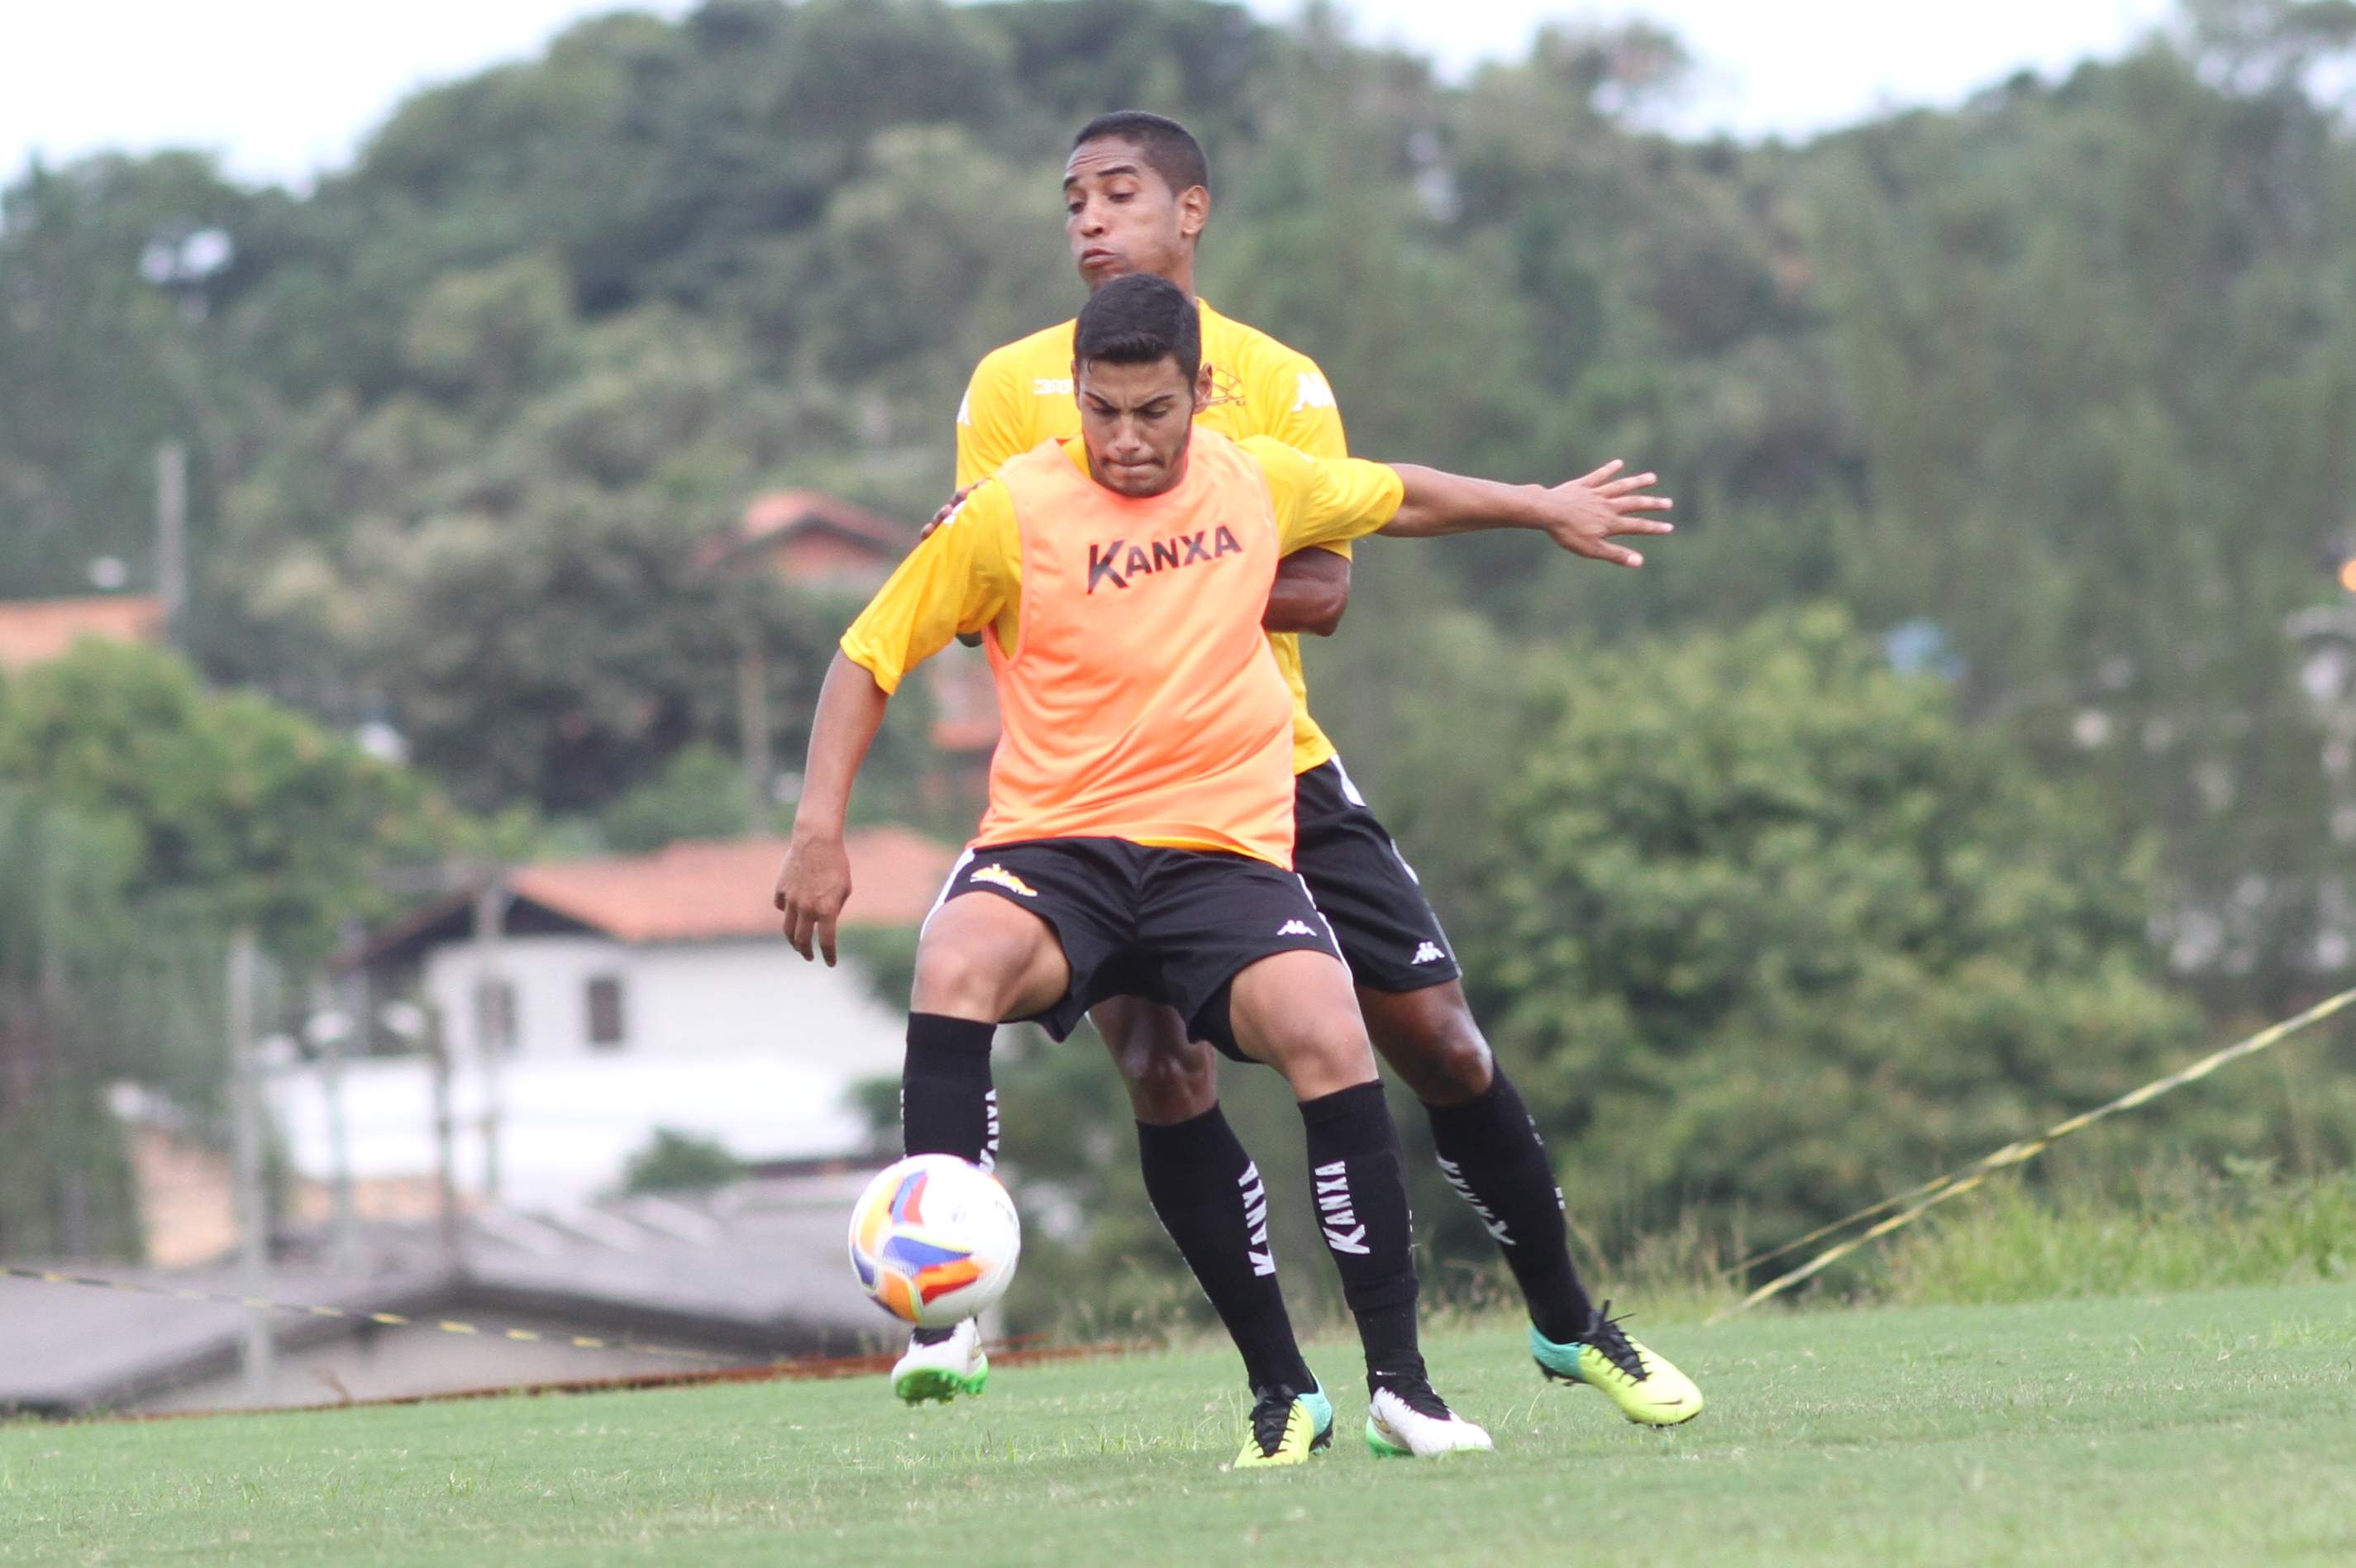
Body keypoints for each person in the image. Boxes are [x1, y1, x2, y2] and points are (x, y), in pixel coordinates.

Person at [775, 273, 1672, 1466]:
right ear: (1075, 401)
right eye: (1101, 411)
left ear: (1199, 393)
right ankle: (948, 1315)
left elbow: (1401, 495)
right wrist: (817, 826)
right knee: (957, 953)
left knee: (1329, 1027)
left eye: (1151, 411)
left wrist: (1538, 504)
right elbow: (868, 651)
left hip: (1221, 853)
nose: (1126, 440)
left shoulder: (1257, 475)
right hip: (1061, 846)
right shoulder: (1010, 507)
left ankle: (1401, 1389)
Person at [937, 111, 1703, 1433]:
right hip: (1098, 794)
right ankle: (1282, 1386)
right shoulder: (1013, 386)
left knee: (1438, 1039)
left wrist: (1159, 578)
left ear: (1192, 212)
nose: (1086, 217)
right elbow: (981, 572)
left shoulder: (1275, 378)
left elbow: (1329, 583)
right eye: (1070, 198)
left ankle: (1569, 1319)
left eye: (1117, 191)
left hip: (1271, 767)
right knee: (1163, 1071)